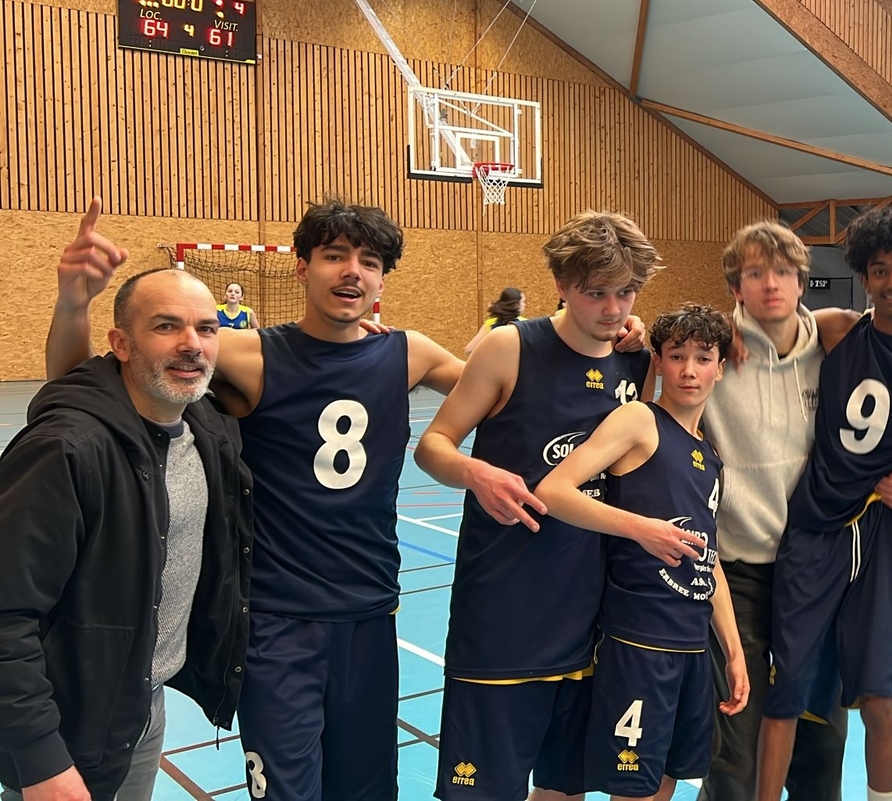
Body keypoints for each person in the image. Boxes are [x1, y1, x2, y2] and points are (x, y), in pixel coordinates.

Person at [47, 198, 465, 801]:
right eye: (334, 256)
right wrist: (73, 302)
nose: (352, 271)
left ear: (381, 281)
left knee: (369, 789)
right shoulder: (248, 353)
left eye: (370, 262)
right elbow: (80, 387)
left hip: (371, 614)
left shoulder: (409, 353)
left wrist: (604, 342)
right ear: (301, 267)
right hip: (275, 621)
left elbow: (506, 387)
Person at [415, 211, 659, 801]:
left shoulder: (635, 359)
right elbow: (433, 444)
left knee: (564, 788)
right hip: (504, 612)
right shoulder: (510, 347)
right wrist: (475, 472)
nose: (613, 308)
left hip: (592, 616)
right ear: (562, 284)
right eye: (596, 293)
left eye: (626, 292)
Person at [1, 260, 251, 801]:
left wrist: (353, 331)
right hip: (66, 721)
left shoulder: (207, 430)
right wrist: (40, 759)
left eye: (206, 328)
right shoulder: (66, 451)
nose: (192, 344)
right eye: (166, 326)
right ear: (120, 344)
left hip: (143, 703)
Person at [756, 206, 892, 801]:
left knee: (878, 696)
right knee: (786, 689)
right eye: (880, 270)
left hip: (878, 533)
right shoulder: (836, 328)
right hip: (813, 527)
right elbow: (754, 321)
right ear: (865, 278)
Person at [701, 221, 892, 801]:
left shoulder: (835, 341)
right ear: (736, 287)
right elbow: (649, 366)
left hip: (821, 567)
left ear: (802, 281)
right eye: (755, 273)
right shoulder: (712, 349)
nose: (771, 284)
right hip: (741, 573)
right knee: (736, 750)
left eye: (783, 272)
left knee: (820, 744)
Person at [535, 305, 748, 801]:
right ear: (658, 361)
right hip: (637, 640)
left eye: (703, 358)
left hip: (693, 648)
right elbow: (553, 490)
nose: (689, 370)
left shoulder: (711, 454)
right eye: (677, 356)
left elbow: (708, 558)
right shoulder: (639, 421)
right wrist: (640, 529)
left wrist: (734, 652)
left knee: (662, 785)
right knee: (616, 788)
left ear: (720, 367)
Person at [464, 287, 528, 355]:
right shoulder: (525, 324)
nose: (525, 305)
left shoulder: (490, 324)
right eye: (522, 302)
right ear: (516, 304)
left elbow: (469, 349)